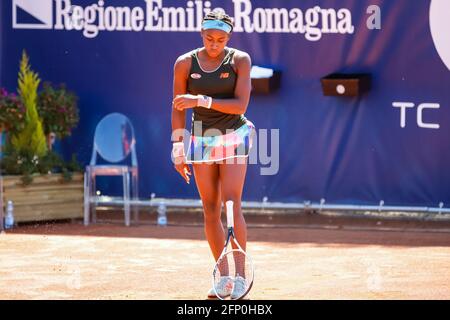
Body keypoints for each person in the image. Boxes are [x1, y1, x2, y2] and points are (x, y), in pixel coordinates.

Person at [171, 9, 255, 299]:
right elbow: (177, 106)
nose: (215, 44)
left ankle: (243, 275)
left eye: (221, 39)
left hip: (234, 134)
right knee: (210, 209)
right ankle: (224, 277)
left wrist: (201, 99)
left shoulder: (240, 60)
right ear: (201, 34)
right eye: (209, 38)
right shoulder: (184, 63)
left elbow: (240, 106)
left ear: (228, 38)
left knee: (231, 205)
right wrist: (178, 146)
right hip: (200, 138)